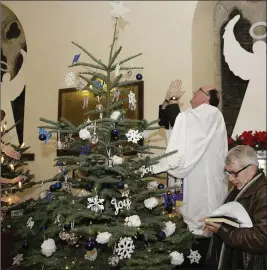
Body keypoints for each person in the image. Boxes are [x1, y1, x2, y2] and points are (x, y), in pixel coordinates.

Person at [154, 80, 228, 235]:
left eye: (199, 90)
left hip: (203, 181)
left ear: (207, 98)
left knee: (200, 221)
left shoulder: (211, 113)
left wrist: (174, 100)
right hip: (191, 177)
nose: (194, 91)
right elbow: (168, 124)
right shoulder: (192, 115)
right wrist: (167, 100)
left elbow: (180, 124)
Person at [202, 145, 267, 270]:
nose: (231, 179)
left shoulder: (263, 193)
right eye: (228, 172)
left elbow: (262, 239)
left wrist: (222, 230)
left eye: (234, 173)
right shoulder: (241, 186)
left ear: (252, 169)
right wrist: (215, 220)